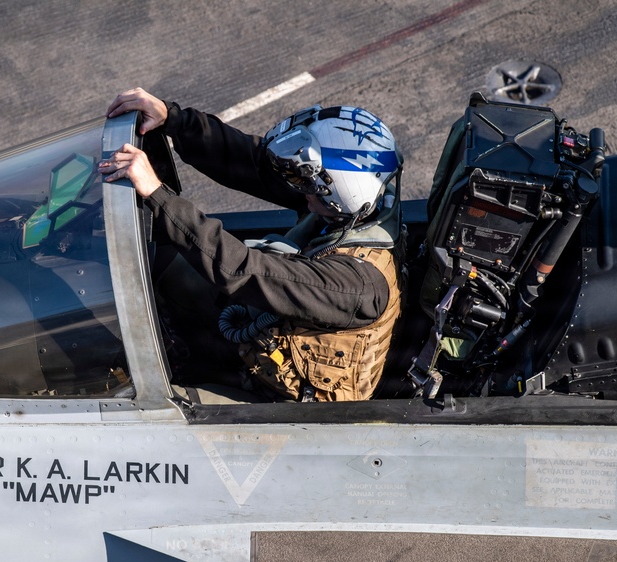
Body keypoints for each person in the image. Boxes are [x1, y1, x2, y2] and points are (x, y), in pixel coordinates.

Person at [98, 88, 403, 402]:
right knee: (166, 264)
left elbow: (244, 270)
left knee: (162, 405)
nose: (301, 193)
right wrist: (172, 119)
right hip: (268, 340)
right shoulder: (359, 207)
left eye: (306, 186)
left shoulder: (355, 286)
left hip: (284, 401)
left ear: (341, 192)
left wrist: (157, 194)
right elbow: (253, 164)